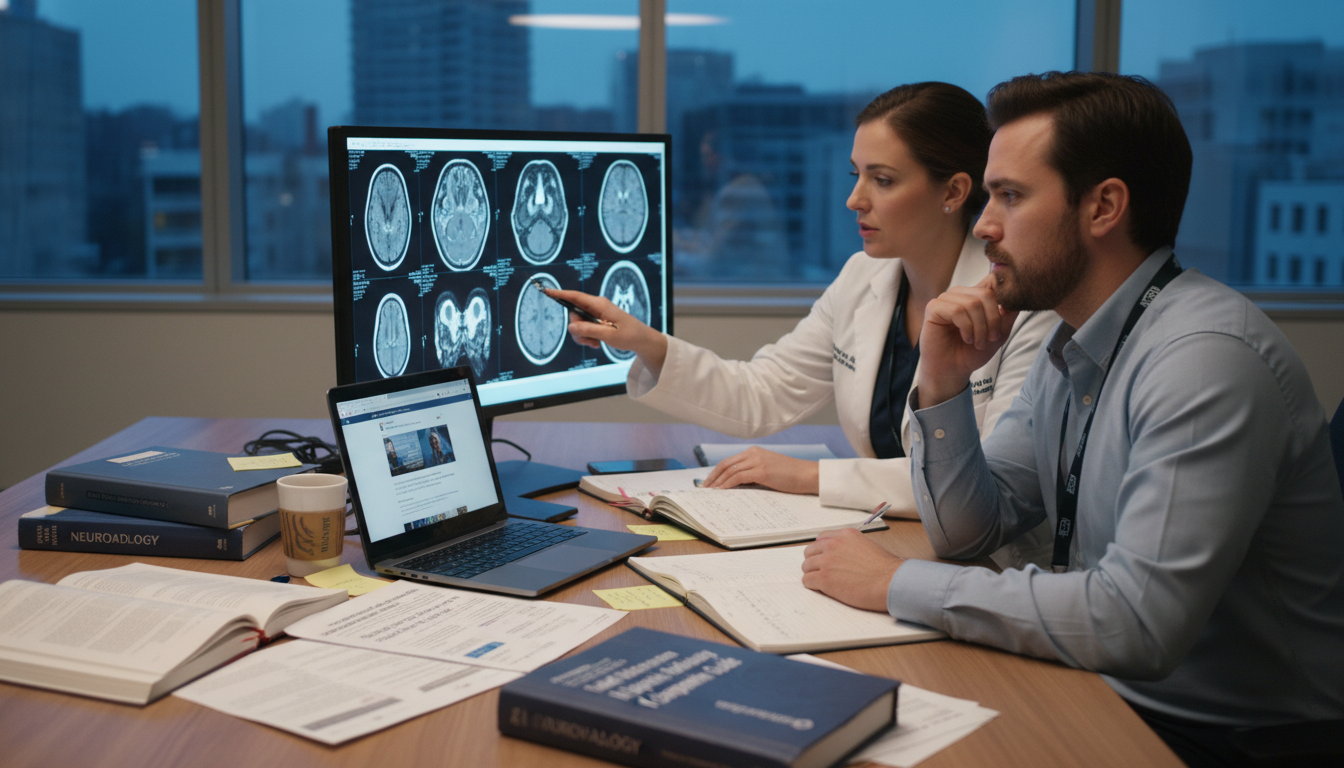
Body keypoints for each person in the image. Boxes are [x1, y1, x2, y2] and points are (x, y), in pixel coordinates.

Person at [799, 71, 1344, 766]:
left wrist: (893, 583)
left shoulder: (1206, 363)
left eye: (1010, 196)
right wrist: (940, 386)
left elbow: (1136, 623)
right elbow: (973, 532)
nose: (985, 225)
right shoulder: (1074, 340)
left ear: (1104, 207)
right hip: (1111, 690)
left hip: (1234, 737)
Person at [551, 82, 1058, 568]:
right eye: (855, 175)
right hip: (896, 536)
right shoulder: (865, 278)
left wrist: (811, 475)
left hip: (990, 565)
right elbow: (765, 392)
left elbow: (983, 485)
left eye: (882, 180)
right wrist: (650, 344)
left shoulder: (1023, 308)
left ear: (953, 190)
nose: (854, 200)